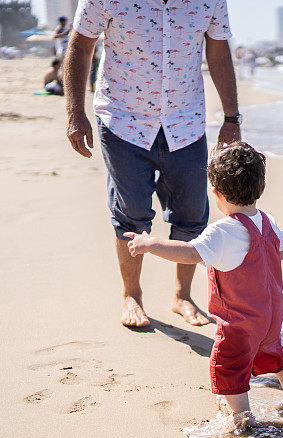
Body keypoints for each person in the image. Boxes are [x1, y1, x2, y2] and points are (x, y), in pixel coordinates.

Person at [64, 0, 240, 328]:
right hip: (122, 121)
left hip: (185, 122)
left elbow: (218, 51)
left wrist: (231, 117)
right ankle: (132, 294)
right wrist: (75, 112)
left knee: (191, 214)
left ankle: (182, 296)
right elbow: (81, 44)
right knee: (130, 213)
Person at [125, 142, 283, 429]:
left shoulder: (222, 233)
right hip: (270, 313)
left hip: (239, 320)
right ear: (261, 187)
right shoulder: (267, 221)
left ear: (216, 193)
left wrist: (150, 244)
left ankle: (242, 418)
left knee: (229, 364)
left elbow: (189, 253)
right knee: (270, 346)